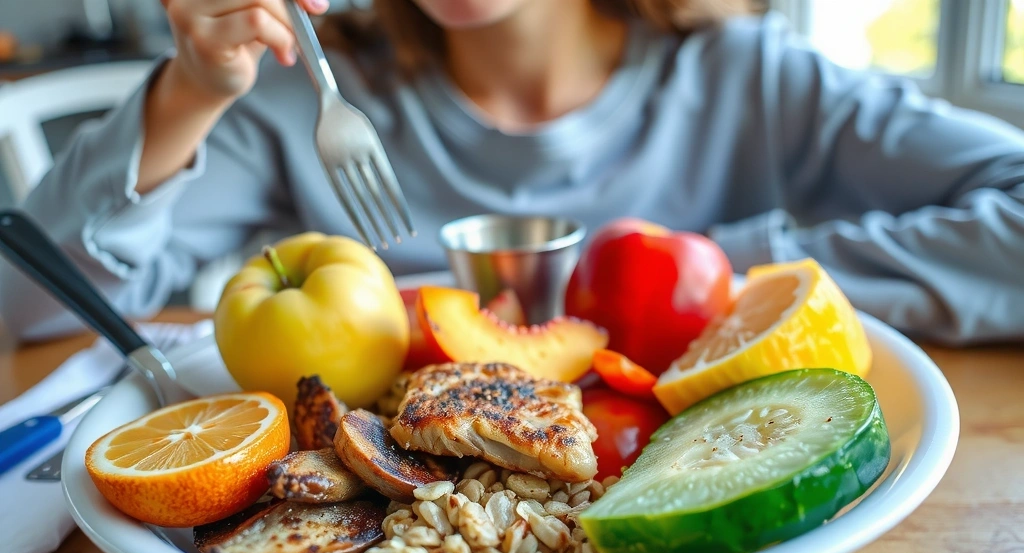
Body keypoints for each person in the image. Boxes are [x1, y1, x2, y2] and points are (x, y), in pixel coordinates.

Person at [2, 0, 1023, 345]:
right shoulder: (292, 90)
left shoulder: (751, 76)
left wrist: (725, 281)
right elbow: (28, 311)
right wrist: (189, 86)